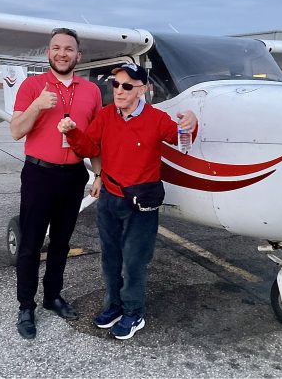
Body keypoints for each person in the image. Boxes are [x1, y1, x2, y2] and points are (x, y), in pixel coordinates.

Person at [57, 62, 197, 340]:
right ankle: (114, 307)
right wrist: (71, 131)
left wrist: (190, 123)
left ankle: (134, 312)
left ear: (141, 90)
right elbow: (88, 147)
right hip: (109, 199)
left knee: (133, 262)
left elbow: (183, 141)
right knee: (110, 259)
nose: (119, 91)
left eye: (127, 86)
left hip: (140, 204)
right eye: (116, 84)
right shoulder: (107, 115)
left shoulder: (157, 119)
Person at [10, 28, 102, 340]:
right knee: (31, 244)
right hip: (39, 174)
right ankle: (26, 305)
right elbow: (15, 132)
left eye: (68, 49)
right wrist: (37, 106)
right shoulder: (32, 85)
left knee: (61, 243)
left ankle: (52, 297)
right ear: (49, 53)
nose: (62, 53)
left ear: (79, 56)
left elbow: (93, 140)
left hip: (74, 175)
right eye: (56, 48)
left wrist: (99, 174)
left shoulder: (91, 91)